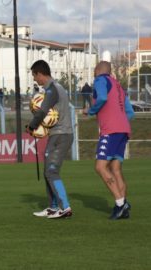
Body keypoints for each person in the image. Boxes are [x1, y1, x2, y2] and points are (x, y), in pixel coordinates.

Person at [84, 61, 134, 220]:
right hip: (123, 130)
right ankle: (123, 205)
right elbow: (130, 112)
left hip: (110, 131)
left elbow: (103, 98)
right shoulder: (118, 85)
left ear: (97, 70)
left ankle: (120, 205)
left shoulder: (100, 80)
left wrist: (90, 111)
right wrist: (119, 121)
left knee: (100, 167)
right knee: (116, 169)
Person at [26, 60, 73, 219]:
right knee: (48, 171)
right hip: (58, 134)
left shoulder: (52, 90)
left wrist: (32, 126)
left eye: (34, 76)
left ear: (40, 74)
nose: (34, 80)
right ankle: (52, 207)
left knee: (51, 171)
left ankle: (65, 208)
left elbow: (42, 111)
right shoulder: (57, 88)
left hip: (61, 135)